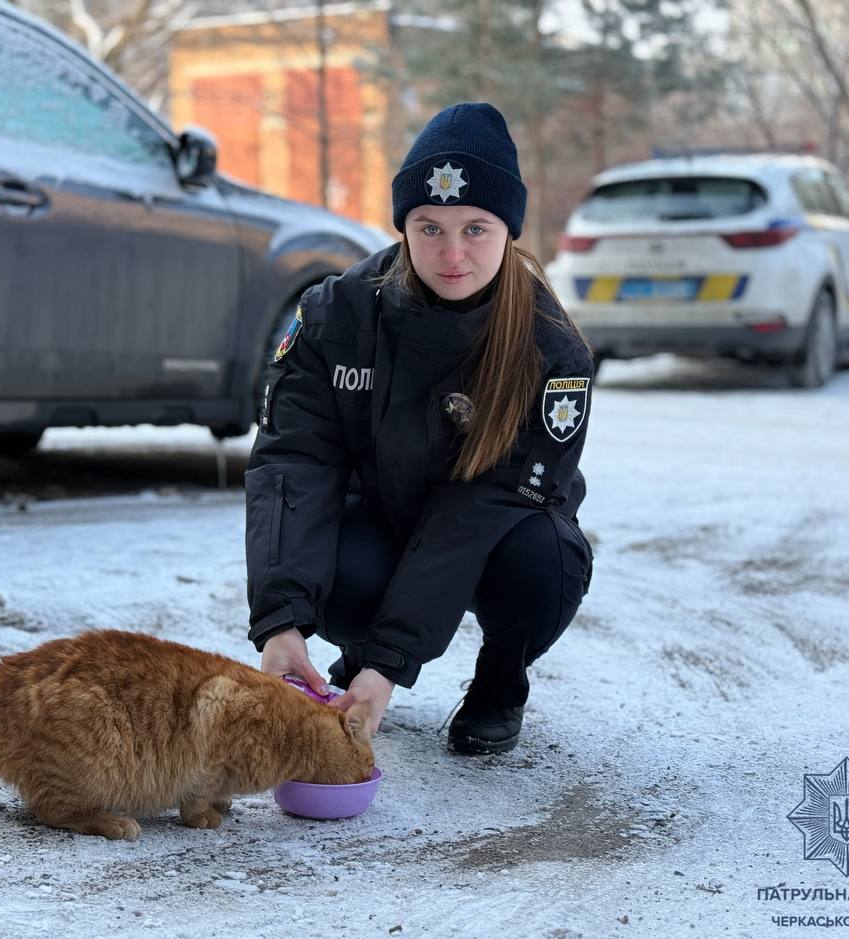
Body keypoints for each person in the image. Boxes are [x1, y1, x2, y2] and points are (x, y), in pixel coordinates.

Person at [243, 102, 595, 755]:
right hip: (384, 519)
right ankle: (353, 655)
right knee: (341, 565)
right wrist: (280, 619)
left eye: (476, 229)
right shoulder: (336, 316)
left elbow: (473, 512)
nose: (452, 252)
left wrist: (392, 660)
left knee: (544, 563)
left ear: (509, 230)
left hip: (497, 537)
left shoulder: (551, 352)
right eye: (429, 226)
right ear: (403, 223)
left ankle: (498, 682)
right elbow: (294, 463)